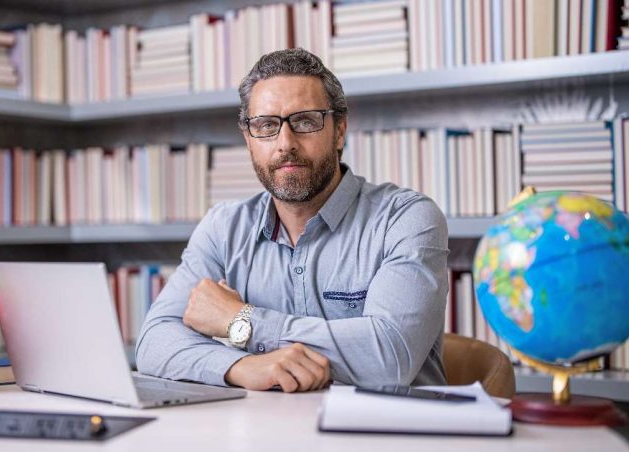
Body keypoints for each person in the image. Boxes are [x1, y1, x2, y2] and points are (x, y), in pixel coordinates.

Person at [136, 48, 449, 393]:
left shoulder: (405, 218)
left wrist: (241, 321)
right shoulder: (224, 229)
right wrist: (241, 366)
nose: (286, 143)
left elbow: (391, 355)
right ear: (248, 140)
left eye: (304, 121)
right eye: (266, 125)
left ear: (340, 130)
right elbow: (153, 342)